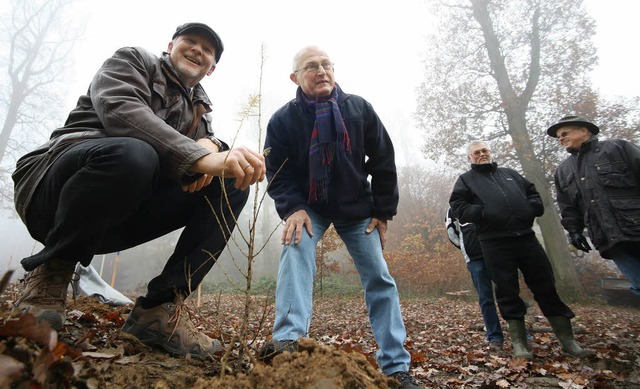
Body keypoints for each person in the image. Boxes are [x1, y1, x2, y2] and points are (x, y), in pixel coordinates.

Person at [12, 22, 266, 359]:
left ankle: (158, 312)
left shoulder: (199, 115)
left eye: (207, 51)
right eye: (189, 41)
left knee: (229, 185)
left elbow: (207, 152)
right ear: (171, 45)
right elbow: (121, 110)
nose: (197, 50)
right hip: (52, 192)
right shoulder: (132, 61)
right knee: (135, 154)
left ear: (211, 68)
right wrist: (203, 154)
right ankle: (51, 273)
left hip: (115, 219)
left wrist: (214, 143)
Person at [259, 46, 421, 389]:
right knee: (295, 244)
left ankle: (396, 367)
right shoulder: (283, 119)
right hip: (309, 206)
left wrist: (382, 211)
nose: (321, 71)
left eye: (326, 65)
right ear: (295, 78)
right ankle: (289, 342)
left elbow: (383, 161)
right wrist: (293, 208)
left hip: (356, 207)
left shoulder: (358, 108)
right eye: (311, 67)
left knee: (379, 275)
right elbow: (276, 172)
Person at [449, 141, 593, 359]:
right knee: (507, 292)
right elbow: (457, 207)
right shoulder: (465, 180)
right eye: (476, 153)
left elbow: (532, 192)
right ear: (470, 158)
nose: (481, 154)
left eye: (484, 151)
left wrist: (531, 208)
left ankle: (568, 341)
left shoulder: (510, 174)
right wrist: (481, 213)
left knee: (546, 286)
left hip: (526, 238)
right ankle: (520, 344)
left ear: (490, 152)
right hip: (494, 242)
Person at [547, 115, 640, 297]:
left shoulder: (617, 148)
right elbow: (568, 207)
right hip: (610, 239)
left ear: (584, 130)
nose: (561, 139)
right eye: (558, 136)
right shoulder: (563, 170)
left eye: (565, 133)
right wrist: (574, 231)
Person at [445, 207, 504, 351]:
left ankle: (521, 334)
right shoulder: (453, 208)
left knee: (508, 293)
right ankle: (495, 337)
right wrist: (466, 249)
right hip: (474, 260)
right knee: (485, 298)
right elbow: (451, 233)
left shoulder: (485, 197)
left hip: (496, 254)